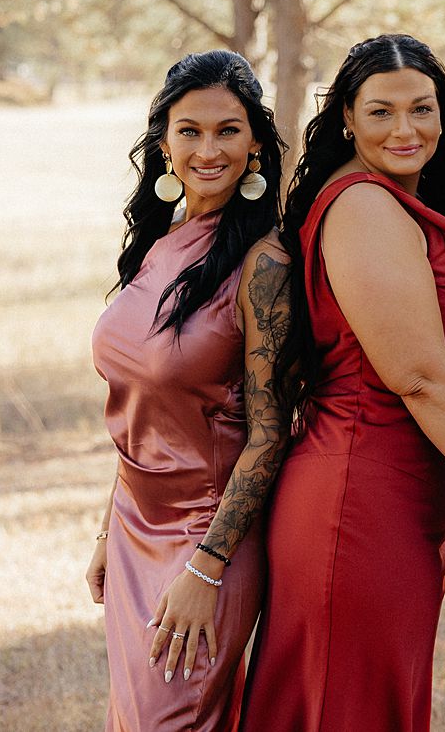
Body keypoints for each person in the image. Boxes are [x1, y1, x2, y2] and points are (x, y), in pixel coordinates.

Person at [241, 35, 445, 732]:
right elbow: (420, 374)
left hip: (400, 500)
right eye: (382, 112)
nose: (406, 129)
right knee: (347, 706)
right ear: (347, 121)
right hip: (358, 499)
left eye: (422, 109)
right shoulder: (363, 204)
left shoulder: (407, 203)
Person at [87, 50, 290, 731]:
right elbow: (142, 412)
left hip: (206, 537)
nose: (209, 149)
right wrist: (104, 528)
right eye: (190, 130)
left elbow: (269, 434)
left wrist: (206, 569)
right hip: (132, 526)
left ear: (256, 141)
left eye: (228, 130)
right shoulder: (158, 242)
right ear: (164, 140)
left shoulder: (263, 264)